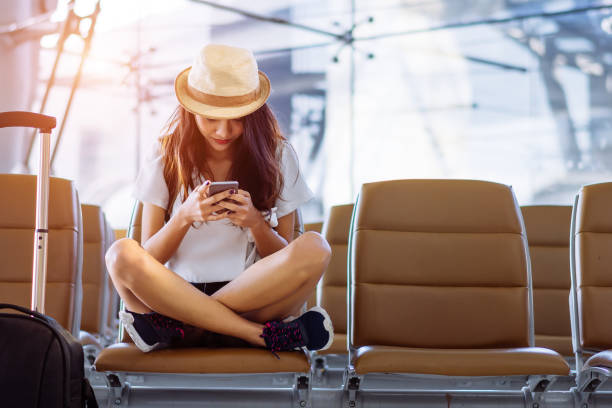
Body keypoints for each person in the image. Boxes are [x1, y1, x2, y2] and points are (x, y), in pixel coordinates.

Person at [105, 44, 333, 354]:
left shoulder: (277, 154)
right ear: (192, 108)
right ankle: (258, 336)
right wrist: (184, 216)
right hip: (173, 295)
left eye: (237, 118)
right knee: (120, 254)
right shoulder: (165, 154)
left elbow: (284, 257)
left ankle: (188, 329)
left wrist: (255, 222)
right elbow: (149, 257)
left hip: (248, 301)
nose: (224, 130)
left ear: (253, 113)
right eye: (212, 117)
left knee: (315, 247)